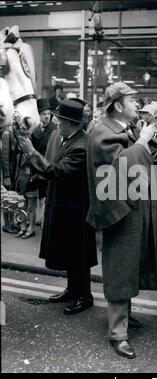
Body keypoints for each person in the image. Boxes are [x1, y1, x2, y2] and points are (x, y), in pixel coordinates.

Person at [86, 82, 157, 359]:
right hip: (117, 211)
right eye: (132, 101)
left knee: (129, 265)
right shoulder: (103, 131)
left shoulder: (116, 128)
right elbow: (116, 169)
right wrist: (143, 142)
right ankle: (118, 333)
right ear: (118, 106)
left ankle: (124, 319)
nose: (136, 105)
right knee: (120, 267)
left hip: (128, 207)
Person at [17, 100, 98, 314]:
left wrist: (31, 152)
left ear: (69, 123)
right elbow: (56, 169)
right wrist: (37, 179)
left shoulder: (82, 145)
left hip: (76, 211)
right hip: (66, 208)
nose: (55, 121)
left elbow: (59, 172)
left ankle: (84, 296)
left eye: (59, 119)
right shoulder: (69, 139)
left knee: (78, 256)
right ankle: (73, 290)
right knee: (71, 254)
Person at [31, 98, 57, 226]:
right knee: (40, 192)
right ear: (38, 115)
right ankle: (41, 216)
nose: (47, 116)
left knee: (48, 192)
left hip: (49, 165)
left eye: (48, 114)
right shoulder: (35, 131)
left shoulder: (54, 130)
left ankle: (45, 219)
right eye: (44, 114)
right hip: (38, 167)